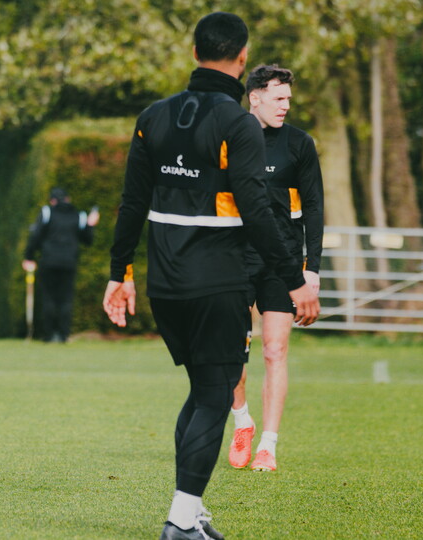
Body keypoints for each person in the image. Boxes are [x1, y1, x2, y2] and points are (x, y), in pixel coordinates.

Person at [101, 13, 319, 540]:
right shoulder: (237, 124)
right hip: (217, 282)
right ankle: (180, 520)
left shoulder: (152, 116)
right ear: (241, 59)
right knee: (216, 393)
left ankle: (191, 513)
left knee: (205, 390)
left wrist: (118, 273)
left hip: (165, 285)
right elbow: (258, 211)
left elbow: (132, 202)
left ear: (194, 51)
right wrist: (296, 279)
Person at [227, 65, 324, 473]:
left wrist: (312, 269)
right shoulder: (227, 138)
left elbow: (315, 207)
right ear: (255, 97)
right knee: (230, 354)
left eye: (288, 98)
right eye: (278, 98)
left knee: (275, 349)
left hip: (282, 260)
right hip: (233, 258)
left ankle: (268, 445)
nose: (286, 105)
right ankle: (242, 421)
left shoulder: (300, 143)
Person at [21, 187, 100, 343]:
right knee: (65, 299)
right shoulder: (79, 215)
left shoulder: (47, 212)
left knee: (49, 298)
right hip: (69, 262)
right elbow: (88, 240)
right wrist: (91, 225)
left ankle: (49, 335)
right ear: (67, 199)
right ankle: (63, 335)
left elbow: (36, 236)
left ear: (52, 200)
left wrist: (29, 257)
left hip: (48, 261)